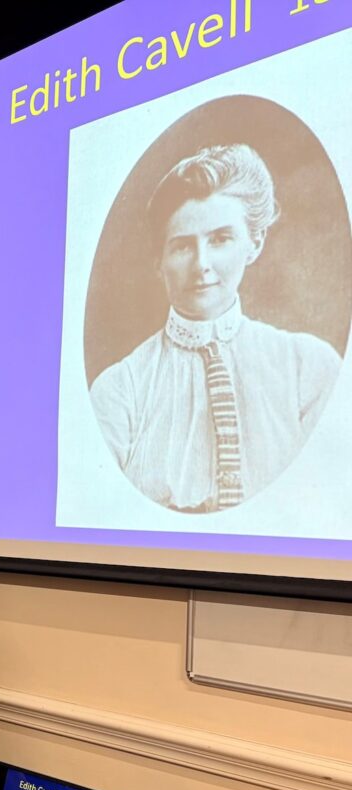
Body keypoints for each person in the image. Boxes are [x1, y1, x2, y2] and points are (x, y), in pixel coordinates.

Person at [89, 143, 342, 513]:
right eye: (182, 247)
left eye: (221, 239)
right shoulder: (120, 390)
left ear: (254, 243)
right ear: (158, 261)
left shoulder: (309, 368)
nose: (202, 264)